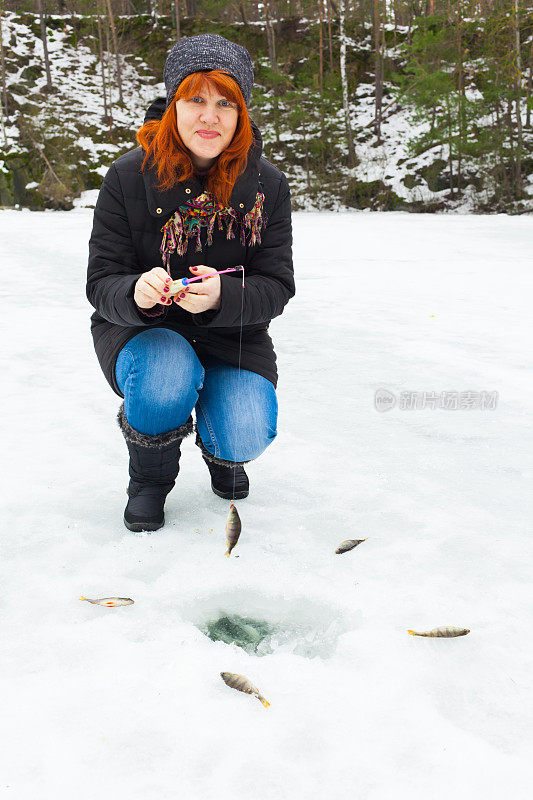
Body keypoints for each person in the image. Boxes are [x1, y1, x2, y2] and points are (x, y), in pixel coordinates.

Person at [86, 33, 294, 533]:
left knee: (245, 429)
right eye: (195, 99)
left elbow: (276, 285)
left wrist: (226, 296)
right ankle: (150, 480)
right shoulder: (128, 176)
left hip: (231, 333)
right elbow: (102, 281)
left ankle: (224, 453)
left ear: (241, 113)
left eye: (225, 103)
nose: (210, 116)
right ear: (173, 105)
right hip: (142, 332)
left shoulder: (268, 185)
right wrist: (135, 292)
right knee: (164, 372)